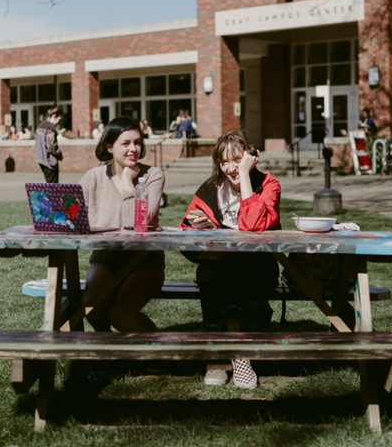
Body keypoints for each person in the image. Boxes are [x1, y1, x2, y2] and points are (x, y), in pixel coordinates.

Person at [180, 130, 281, 390]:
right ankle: (219, 354)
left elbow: (253, 225)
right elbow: (184, 230)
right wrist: (197, 225)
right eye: (223, 161)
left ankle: (236, 354)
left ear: (250, 156)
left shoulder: (268, 185)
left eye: (236, 160)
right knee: (208, 270)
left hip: (258, 266)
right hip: (219, 264)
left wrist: (246, 175)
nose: (229, 168)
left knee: (228, 272)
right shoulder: (211, 187)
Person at [80, 116, 166, 332]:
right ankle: (112, 355)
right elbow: (71, 214)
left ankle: (161, 355)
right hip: (106, 258)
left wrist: (129, 182)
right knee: (91, 308)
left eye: (137, 142)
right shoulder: (93, 177)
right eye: (125, 143)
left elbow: (137, 223)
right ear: (110, 147)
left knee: (120, 315)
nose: (133, 149)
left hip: (144, 260)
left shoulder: (153, 175)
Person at [34, 105, 63, 183]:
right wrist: (59, 154)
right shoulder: (50, 128)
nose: (59, 122)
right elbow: (51, 147)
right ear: (54, 116)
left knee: (49, 184)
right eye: (59, 119)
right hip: (50, 161)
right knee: (53, 186)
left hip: (41, 159)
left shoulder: (39, 126)